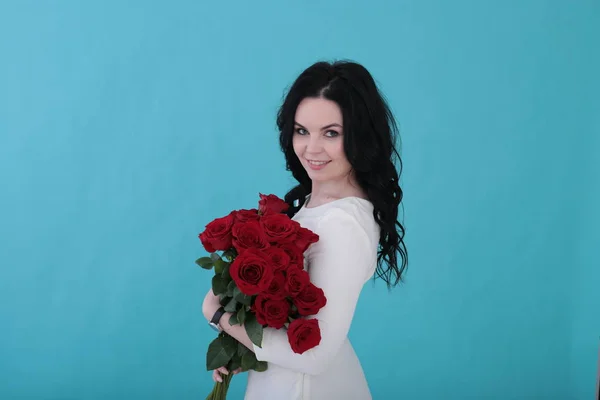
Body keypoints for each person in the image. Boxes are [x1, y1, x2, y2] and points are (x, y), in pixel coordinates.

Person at [202, 59, 408, 399]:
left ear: (360, 135)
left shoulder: (343, 225)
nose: (311, 148)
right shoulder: (320, 204)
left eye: (331, 133)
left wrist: (219, 314)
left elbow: (314, 353)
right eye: (302, 131)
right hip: (288, 381)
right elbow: (296, 324)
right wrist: (247, 347)